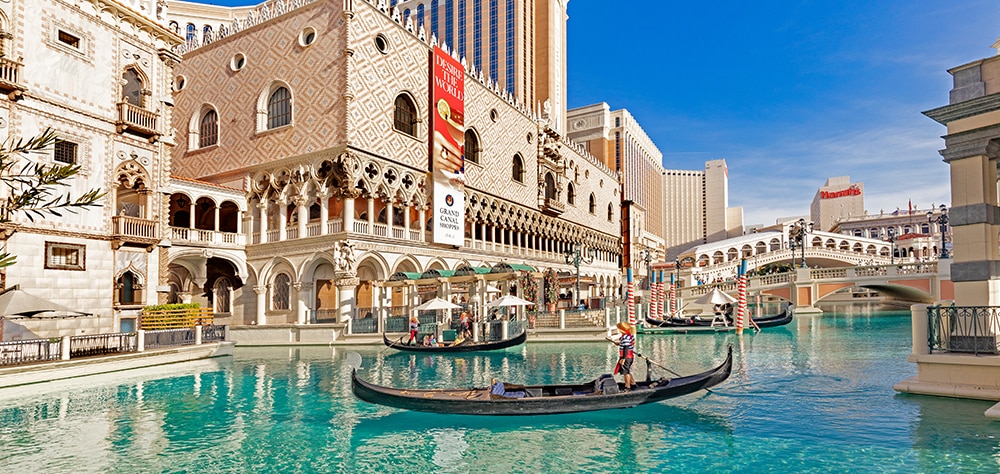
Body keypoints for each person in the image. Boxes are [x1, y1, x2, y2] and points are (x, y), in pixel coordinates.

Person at [615, 322, 636, 391]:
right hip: (630, 356)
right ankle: (633, 383)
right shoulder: (630, 336)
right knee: (627, 370)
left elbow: (626, 348)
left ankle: (627, 387)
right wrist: (620, 343)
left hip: (626, 357)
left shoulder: (625, 337)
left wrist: (623, 358)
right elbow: (627, 345)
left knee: (625, 372)